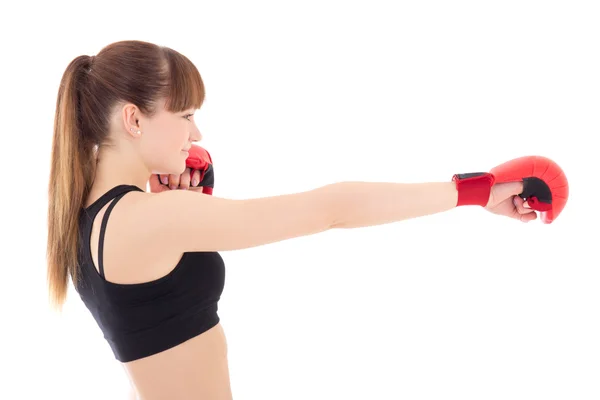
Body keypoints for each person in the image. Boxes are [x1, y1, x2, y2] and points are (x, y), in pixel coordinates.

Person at [46, 39, 537, 400]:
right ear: (134, 120)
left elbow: (153, 344)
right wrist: (475, 190)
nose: (196, 131)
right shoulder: (153, 217)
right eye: (186, 114)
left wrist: (196, 204)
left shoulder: (91, 214)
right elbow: (331, 209)